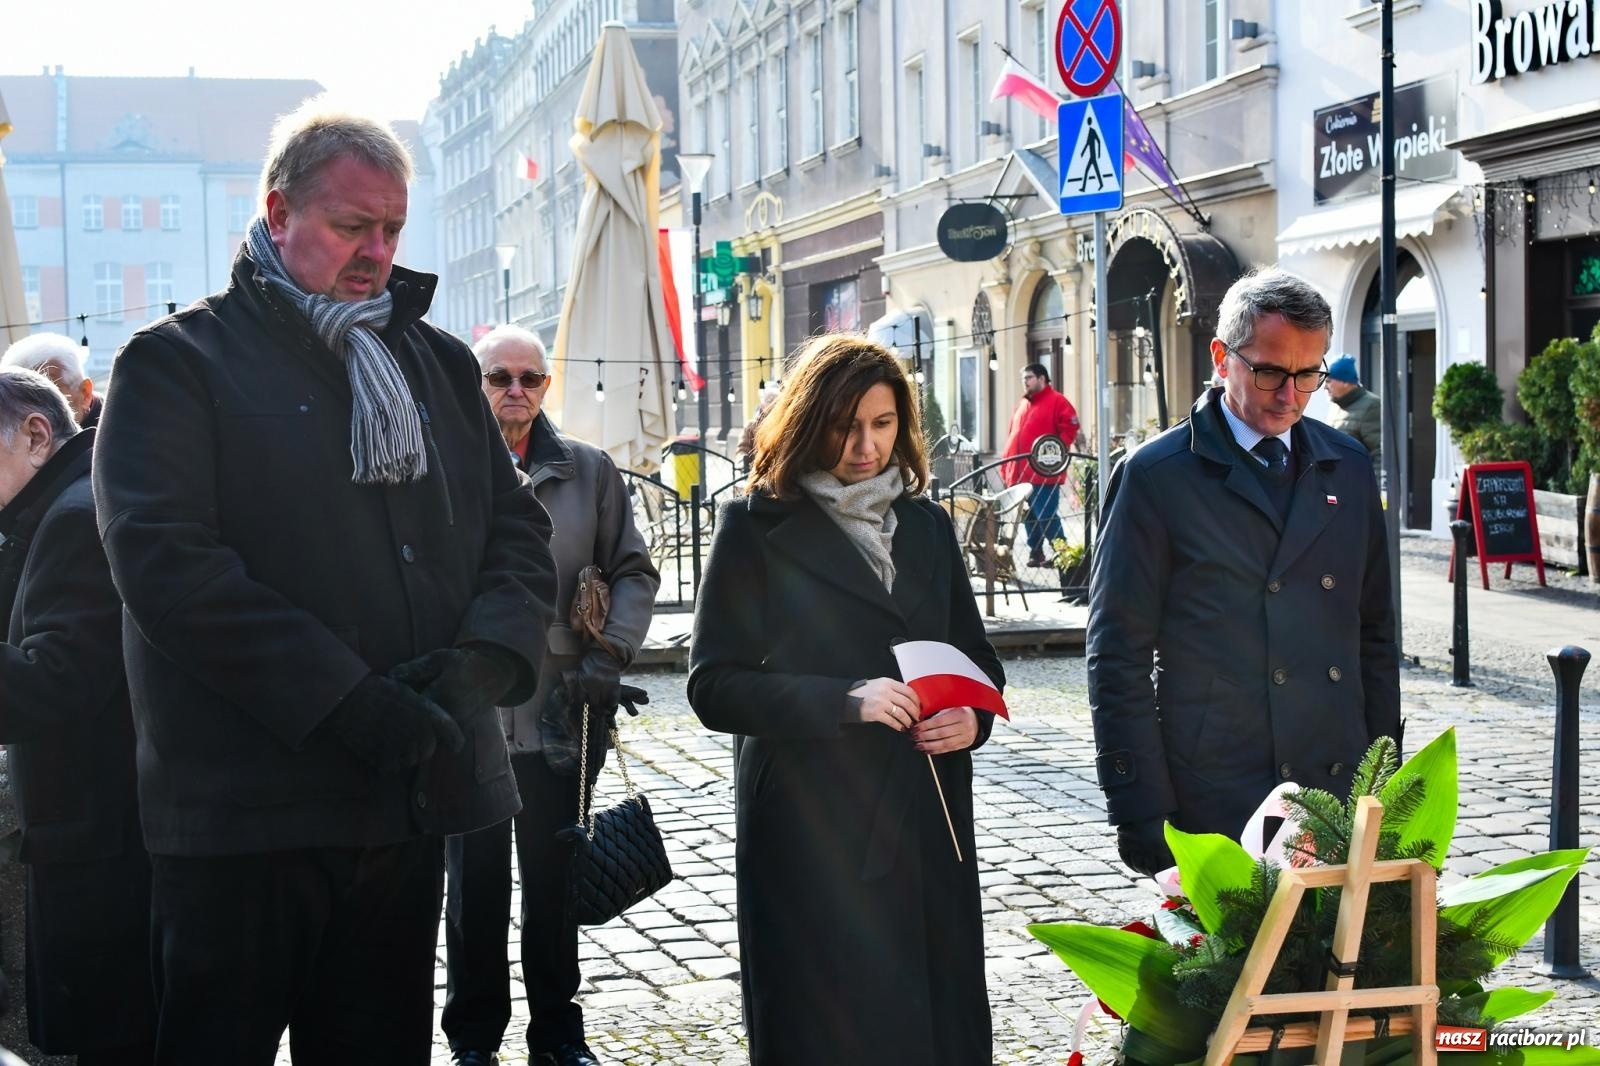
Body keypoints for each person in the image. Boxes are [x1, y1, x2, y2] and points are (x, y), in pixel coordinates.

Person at [91, 99, 558, 1065]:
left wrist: (485, 661)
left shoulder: (433, 364)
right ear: (278, 214)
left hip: (406, 798)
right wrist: (342, 699)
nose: (377, 251)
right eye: (352, 226)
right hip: (243, 812)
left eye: (391, 229)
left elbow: (515, 527)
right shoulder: (175, 364)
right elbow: (167, 565)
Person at [688, 334, 1003, 1066]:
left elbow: (978, 659)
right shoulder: (753, 527)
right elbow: (713, 686)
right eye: (845, 425)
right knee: (828, 1025)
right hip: (811, 823)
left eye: (883, 424)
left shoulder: (926, 524)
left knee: (935, 1022)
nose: (866, 446)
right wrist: (845, 700)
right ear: (808, 420)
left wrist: (973, 718)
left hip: (927, 813)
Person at [1087, 268, 1400, 877]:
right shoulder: (1157, 477)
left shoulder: (1348, 465)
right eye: (1269, 373)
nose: (1290, 395)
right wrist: (1140, 808)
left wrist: (1383, 781)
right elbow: (1117, 654)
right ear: (1220, 357)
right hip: (1218, 786)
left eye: (1309, 375)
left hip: (1332, 780)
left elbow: (1376, 636)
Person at [442, 327, 659, 1066]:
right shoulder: (444, 470)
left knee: (553, 882)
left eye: (531, 379)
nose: (515, 391)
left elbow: (633, 570)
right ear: (475, 384)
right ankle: (473, 1040)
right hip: (468, 714)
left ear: (546, 385)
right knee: (472, 890)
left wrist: (611, 650)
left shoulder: (589, 473)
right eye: (499, 377)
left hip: (563, 710)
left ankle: (559, 1036)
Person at [0, 367, 153, 1064]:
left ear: (36, 433)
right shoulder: (57, 504)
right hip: (103, 840)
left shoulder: (71, 515)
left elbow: (57, 684)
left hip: (106, 852)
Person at [1001, 362, 1081, 567]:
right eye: (1024, 378)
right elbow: (1012, 434)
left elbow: (1071, 426)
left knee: (1046, 514)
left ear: (1042, 379)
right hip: (1020, 473)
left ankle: (1062, 553)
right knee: (1029, 516)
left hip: (1044, 472)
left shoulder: (1057, 401)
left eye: (1029, 377)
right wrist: (1006, 466)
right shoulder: (1021, 404)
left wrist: (1055, 453)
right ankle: (1036, 552)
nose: (1025, 382)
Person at [0, 334, 99, 427]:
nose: (33, 412)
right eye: (20, 400)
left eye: (47, 397)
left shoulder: (110, 437)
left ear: (85, 393)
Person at [1325, 354, 1382, 480]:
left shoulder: (1371, 405)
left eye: (1329, 381)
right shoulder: (1336, 405)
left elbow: (1379, 454)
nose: (1325, 386)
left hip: (1357, 485)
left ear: (1345, 381)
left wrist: (1376, 494)